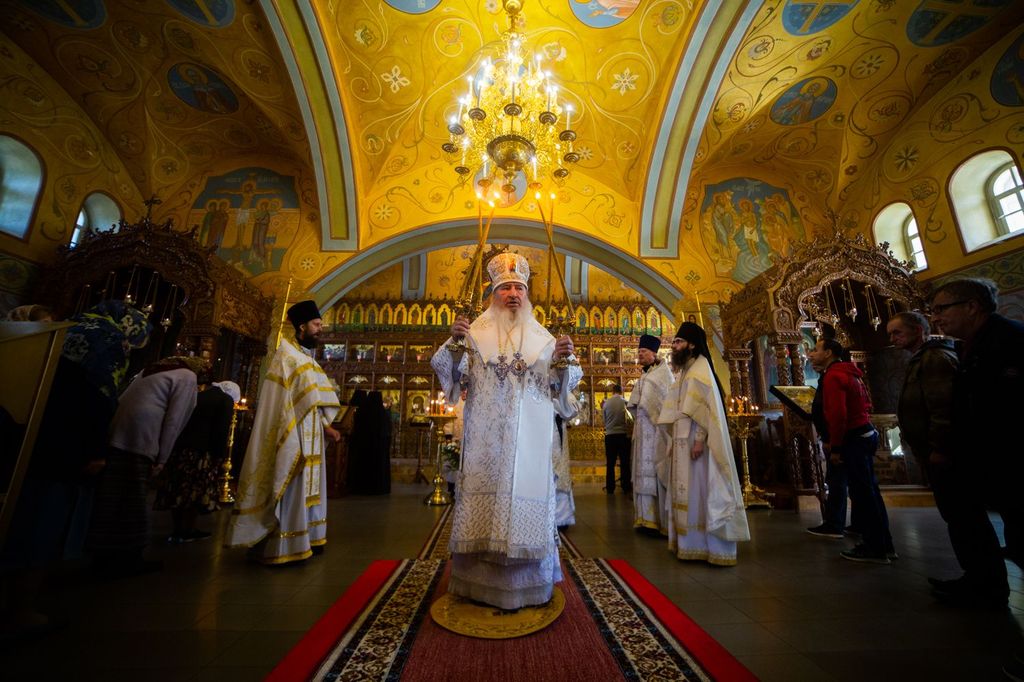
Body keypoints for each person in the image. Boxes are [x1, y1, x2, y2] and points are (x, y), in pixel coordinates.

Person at [430, 252, 581, 610]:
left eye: (519, 288)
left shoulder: (544, 338)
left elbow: (564, 387)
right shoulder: (473, 333)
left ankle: (531, 587)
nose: (513, 293)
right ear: (493, 293)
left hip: (530, 442)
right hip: (486, 443)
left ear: (527, 294)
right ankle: (477, 585)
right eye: (506, 287)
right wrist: (453, 344)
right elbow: (448, 373)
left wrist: (565, 359)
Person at [1, 300, 150, 634]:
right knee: (40, 524)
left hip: (24, 436)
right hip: (64, 446)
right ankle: (21, 609)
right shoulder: (107, 342)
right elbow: (98, 398)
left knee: (20, 518)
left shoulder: (66, 332)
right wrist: (95, 448)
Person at [927, 277, 1024, 608]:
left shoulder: (1008, 341)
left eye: (942, 309)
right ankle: (984, 585)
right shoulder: (971, 344)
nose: (936, 318)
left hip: (1008, 456)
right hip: (983, 456)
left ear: (972, 306)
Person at [226, 300, 341, 565]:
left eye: (320, 324)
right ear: (302, 327)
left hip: (312, 436)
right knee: (292, 486)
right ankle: (284, 544)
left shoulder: (306, 359)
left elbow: (316, 402)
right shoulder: (287, 357)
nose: (320, 329)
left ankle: (308, 537)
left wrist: (326, 427)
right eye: (316, 324)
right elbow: (282, 403)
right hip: (293, 435)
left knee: (309, 487)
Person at [88, 355, 204, 576]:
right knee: (133, 499)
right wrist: (162, 458)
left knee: (110, 498)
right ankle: (130, 555)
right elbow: (175, 420)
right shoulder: (187, 377)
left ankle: (101, 554)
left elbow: (122, 397)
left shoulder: (151, 370)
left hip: (117, 435)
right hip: (141, 438)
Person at [658, 321, 749, 565]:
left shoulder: (700, 370)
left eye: (678, 342)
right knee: (689, 493)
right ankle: (690, 544)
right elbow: (679, 409)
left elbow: (704, 412)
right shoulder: (687, 370)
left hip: (696, 443)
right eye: (674, 342)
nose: (674, 346)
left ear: (691, 345)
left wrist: (699, 440)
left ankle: (710, 546)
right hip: (682, 441)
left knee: (700, 492)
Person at [807, 338, 894, 564]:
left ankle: (875, 548)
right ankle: (884, 544)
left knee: (863, 495)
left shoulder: (834, 376)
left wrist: (835, 447)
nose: (811, 353)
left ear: (828, 353)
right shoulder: (848, 371)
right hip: (864, 433)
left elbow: (838, 415)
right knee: (870, 493)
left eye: (816, 349)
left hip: (853, 438)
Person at [154, 379, 240, 543]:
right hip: (201, 452)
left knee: (179, 490)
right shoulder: (225, 400)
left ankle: (177, 529)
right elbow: (221, 430)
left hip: (181, 448)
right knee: (195, 492)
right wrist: (219, 455)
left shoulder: (200, 395)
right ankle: (188, 529)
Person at [626, 334, 673, 533]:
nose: (640, 355)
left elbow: (665, 404)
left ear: (654, 353)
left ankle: (657, 519)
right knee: (641, 473)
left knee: (654, 472)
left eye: (643, 352)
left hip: (655, 433)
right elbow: (635, 404)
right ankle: (644, 518)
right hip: (641, 431)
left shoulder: (663, 376)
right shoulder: (644, 376)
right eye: (639, 352)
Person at [347, 390, 392, 495]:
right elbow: (388, 431)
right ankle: (381, 487)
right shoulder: (383, 414)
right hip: (380, 449)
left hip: (363, 447)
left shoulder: (362, 413)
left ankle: (361, 486)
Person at [602, 385, 631, 494]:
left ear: (612, 391)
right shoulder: (625, 402)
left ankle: (610, 487)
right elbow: (630, 419)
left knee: (610, 463)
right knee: (625, 462)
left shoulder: (606, 403)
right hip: (623, 435)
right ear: (621, 391)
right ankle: (626, 486)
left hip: (610, 436)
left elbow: (604, 420)